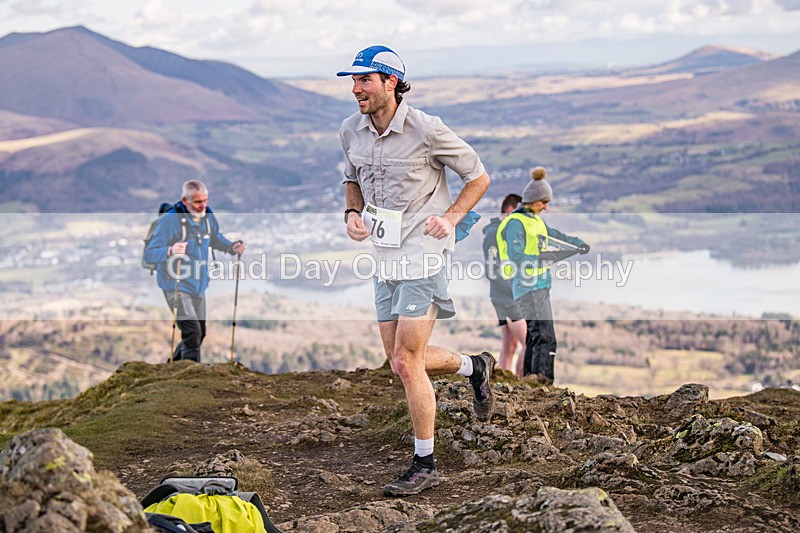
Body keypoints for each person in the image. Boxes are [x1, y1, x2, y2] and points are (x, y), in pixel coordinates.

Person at [337, 45, 495, 496]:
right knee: (401, 362)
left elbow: (478, 176)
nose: (355, 89)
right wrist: (351, 213)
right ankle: (474, 366)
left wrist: (450, 218)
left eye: (364, 80)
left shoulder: (427, 129)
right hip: (384, 254)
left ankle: (425, 463)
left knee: (407, 362)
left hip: (425, 251)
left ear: (391, 82)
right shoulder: (351, 131)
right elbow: (351, 179)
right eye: (353, 81)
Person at [496, 168, 589, 384]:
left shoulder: (535, 221)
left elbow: (555, 236)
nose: (546, 207)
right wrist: (546, 257)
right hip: (528, 287)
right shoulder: (515, 223)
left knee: (536, 336)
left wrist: (576, 243)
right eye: (543, 202)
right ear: (533, 200)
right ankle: (542, 384)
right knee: (545, 337)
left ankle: (531, 382)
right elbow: (517, 257)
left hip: (539, 285)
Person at [143, 180, 246, 363]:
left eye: (205, 200)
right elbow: (150, 253)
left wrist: (231, 247)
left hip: (197, 284)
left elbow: (214, 238)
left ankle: (172, 368)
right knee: (192, 332)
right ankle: (191, 379)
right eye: (198, 202)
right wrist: (170, 251)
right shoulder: (170, 221)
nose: (203, 206)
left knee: (199, 333)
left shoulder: (207, 216)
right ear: (185, 200)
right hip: (175, 285)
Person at [482, 193, 527, 376]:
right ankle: (524, 384)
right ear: (511, 210)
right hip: (507, 296)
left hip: (501, 294)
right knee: (529, 342)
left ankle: (503, 382)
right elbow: (493, 271)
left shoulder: (502, 232)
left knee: (510, 342)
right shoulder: (494, 234)